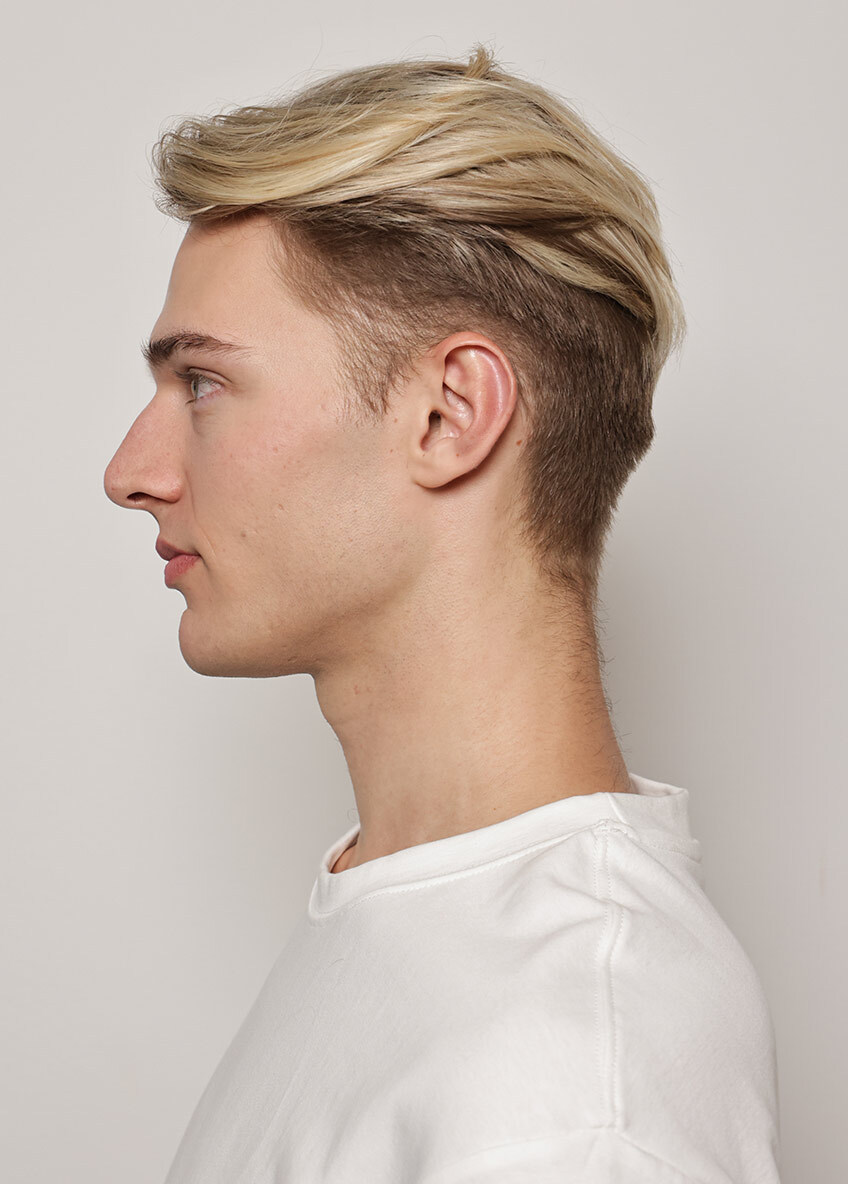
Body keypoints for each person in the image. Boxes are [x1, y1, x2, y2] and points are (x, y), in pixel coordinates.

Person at [103, 44, 781, 1184]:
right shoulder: (410, 917)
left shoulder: (576, 1086)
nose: (131, 472)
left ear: (449, 413)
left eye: (203, 382)